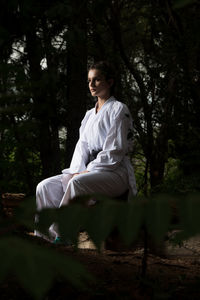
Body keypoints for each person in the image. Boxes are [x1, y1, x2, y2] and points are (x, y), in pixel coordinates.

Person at [35, 61, 137, 241]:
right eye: (89, 80)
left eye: (97, 80)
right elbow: (81, 148)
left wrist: (86, 171)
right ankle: (44, 238)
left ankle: (62, 236)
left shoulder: (119, 109)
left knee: (78, 183)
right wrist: (76, 171)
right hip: (89, 171)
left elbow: (115, 151)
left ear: (110, 82)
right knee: (44, 187)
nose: (91, 84)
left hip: (115, 172)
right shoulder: (89, 115)